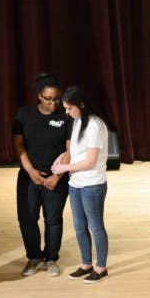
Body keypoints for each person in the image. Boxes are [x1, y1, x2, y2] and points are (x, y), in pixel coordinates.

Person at [13, 73, 73, 277]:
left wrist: (57, 176)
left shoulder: (65, 116)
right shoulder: (24, 114)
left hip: (56, 177)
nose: (53, 103)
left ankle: (51, 258)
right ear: (39, 95)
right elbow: (18, 145)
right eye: (48, 99)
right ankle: (34, 257)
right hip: (29, 176)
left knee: (53, 219)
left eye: (57, 99)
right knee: (27, 218)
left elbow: (70, 149)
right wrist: (31, 171)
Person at [51, 85, 110, 282]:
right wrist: (62, 158)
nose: (67, 112)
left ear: (81, 105)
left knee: (95, 226)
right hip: (75, 182)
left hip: (92, 184)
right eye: (65, 108)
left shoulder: (94, 125)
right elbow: (76, 151)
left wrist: (64, 168)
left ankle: (101, 267)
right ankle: (86, 264)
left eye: (69, 108)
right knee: (79, 226)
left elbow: (90, 161)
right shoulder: (77, 122)